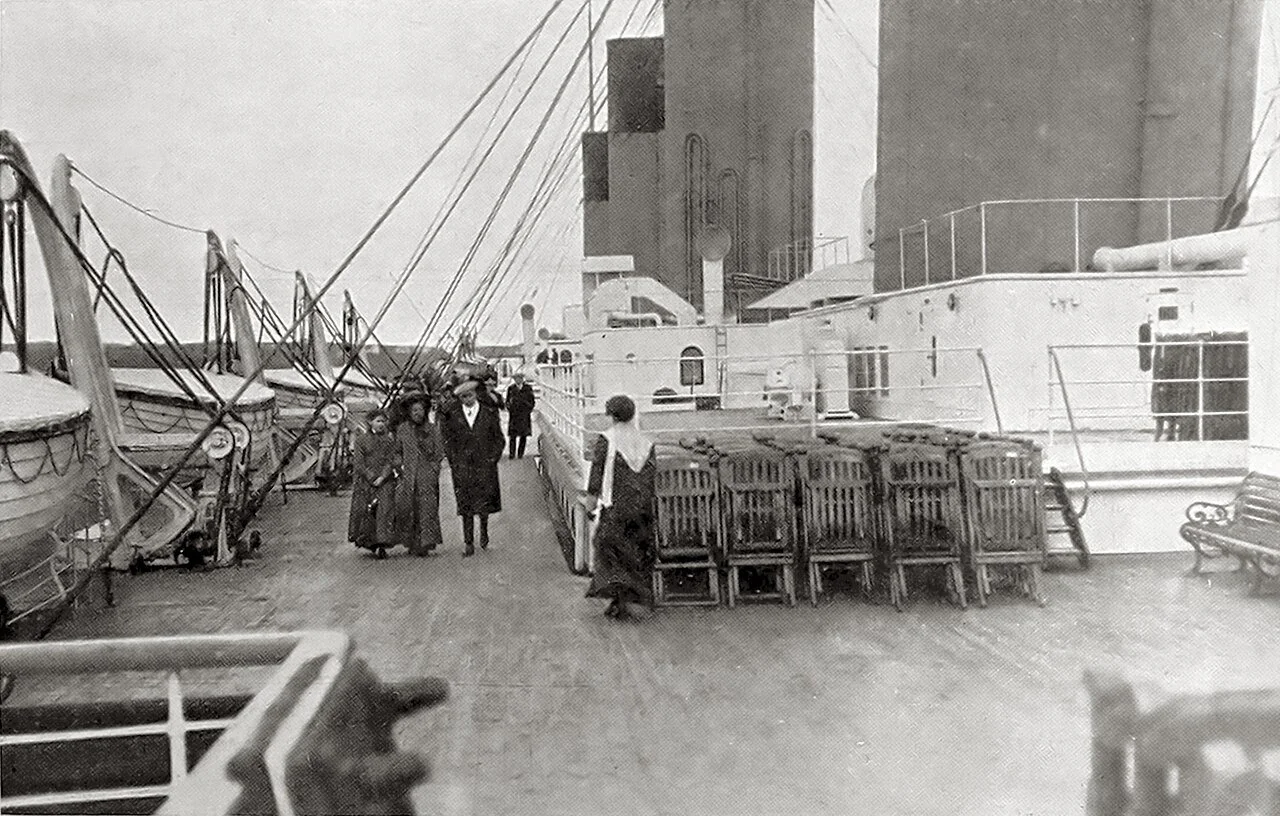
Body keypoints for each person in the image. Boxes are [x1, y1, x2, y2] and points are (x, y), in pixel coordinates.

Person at [581, 395, 657, 620]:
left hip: (616, 507)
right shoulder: (646, 442)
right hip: (641, 509)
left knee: (608, 551)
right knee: (634, 552)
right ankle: (632, 597)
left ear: (612, 415)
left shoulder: (607, 439)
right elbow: (650, 478)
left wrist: (591, 503)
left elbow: (597, 473)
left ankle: (617, 600)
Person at [440, 379, 505, 557]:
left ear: (476, 394)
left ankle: (483, 532)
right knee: (465, 505)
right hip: (463, 466)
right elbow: (447, 439)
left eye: (469, 395)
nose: (467, 399)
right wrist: (453, 460)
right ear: (459, 398)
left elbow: (499, 438)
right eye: (463, 397)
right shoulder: (453, 416)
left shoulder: (489, 413)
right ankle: (468, 542)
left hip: (485, 465)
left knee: (484, 503)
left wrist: (493, 458)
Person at [394, 391, 444, 556]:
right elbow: (397, 451)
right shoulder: (402, 429)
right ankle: (411, 543)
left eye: (420, 410)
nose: (418, 413)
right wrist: (398, 465)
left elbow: (439, 452)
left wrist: (434, 469)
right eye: (414, 411)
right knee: (408, 509)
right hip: (408, 475)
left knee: (426, 509)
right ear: (409, 412)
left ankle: (425, 543)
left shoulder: (432, 429)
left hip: (427, 476)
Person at [348, 409, 399, 559]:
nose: (381, 424)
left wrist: (382, 477)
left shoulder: (390, 440)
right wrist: (371, 477)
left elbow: (391, 460)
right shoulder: (361, 441)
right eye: (378, 421)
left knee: (385, 511)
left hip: (385, 481)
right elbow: (358, 463)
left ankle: (383, 544)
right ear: (370, 423)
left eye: (383, 421)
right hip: (366, 482)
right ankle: (371, 543)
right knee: (367, 513)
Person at [504, 371, 536, 459]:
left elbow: (532, 401)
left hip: (524, 414)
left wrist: (528, 409)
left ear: (522, 379)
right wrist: (510, 408)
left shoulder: (528, 388)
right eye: (516, 378)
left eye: (519, 378)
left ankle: (520, 454)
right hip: (514, 414)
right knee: (512, 436)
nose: (518, 380)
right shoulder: (511, 388)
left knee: (523, 435)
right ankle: (511, 454)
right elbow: (507, 401)